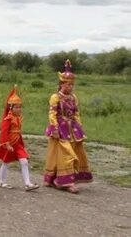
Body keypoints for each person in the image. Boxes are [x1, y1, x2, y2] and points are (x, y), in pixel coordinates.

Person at [44, 60, 93, 193]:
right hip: (60, 130)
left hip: (73, 130)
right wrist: (54, 128)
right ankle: (67, 183)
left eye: (72, 84)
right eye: (68, 84)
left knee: (74, 152)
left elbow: (76, 114)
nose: (71, 87)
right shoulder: (55, 97)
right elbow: (52, 114)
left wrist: (80, 127)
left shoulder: (73, 97)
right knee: (67, 154)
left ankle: (58, 179)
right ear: (61, 84)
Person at [0, 85, 39, 191]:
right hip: (9, 143)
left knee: (24, 161)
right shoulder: (8, 119)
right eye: (16, 107)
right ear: (11, 108)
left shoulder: (18, 118)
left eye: (19, 107)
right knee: (6, 162)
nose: (18, 109)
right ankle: (2, 181)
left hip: (17, 143)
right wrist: (6, 144)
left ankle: (28, 183)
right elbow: (3, 133)